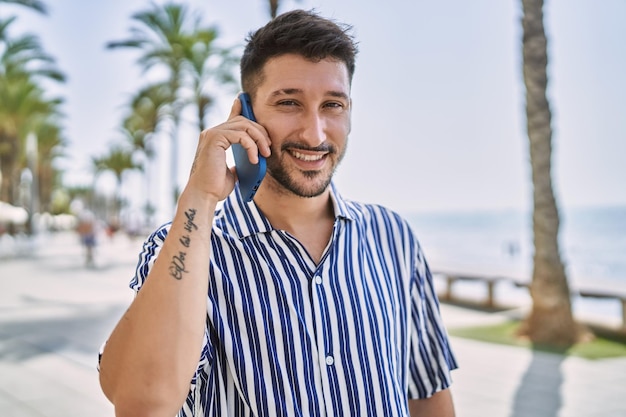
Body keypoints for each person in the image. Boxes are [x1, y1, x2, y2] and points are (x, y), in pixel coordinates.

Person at [98, 9, 457, 417]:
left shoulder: (392, 236)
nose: (315, 133)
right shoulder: (186, 246)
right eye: (289, 102)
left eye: (332, 105)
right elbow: (142, 403)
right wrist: (199, 196)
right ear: (244, 114)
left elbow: (428, 393)